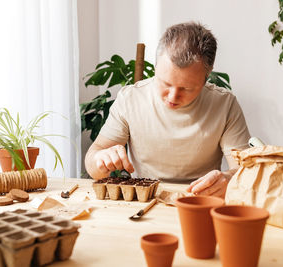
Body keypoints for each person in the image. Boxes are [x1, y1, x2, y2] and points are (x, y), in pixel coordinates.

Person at [85, 22, 250, 198]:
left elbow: (245, 171)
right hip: (144, 199)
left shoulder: (225, 104)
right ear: (156, 67)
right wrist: (100, 160)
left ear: (205, 78)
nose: (172, 97)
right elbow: (93, 161)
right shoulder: (131, 99)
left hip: (199, 200)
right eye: (165, 83)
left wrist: (228, 178)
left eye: (186, 88)